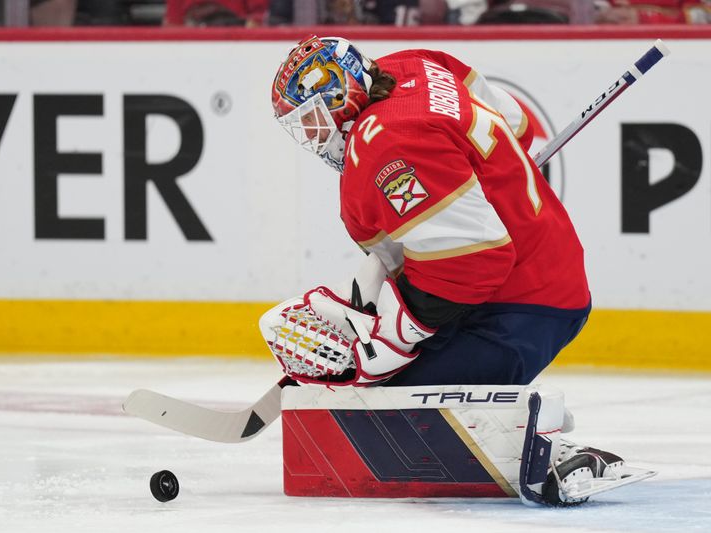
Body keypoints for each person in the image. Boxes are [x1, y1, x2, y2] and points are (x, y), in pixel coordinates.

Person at [261, 36, 653, 506]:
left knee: (391, 429)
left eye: (312, 121)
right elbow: (518, 126)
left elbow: (472, 263)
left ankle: (545, 443)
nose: (312, 136)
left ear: (343, 99)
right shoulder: (414, 65)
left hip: (523, 302)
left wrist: (393, 337)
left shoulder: (387, 146)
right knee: (382, 405)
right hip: (531, 270)